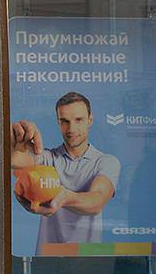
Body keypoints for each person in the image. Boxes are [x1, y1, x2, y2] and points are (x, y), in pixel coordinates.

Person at [11, 91, 121, 244]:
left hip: (89, 254)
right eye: (64, 121)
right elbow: (15, 160)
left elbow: (97, 199)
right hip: (48, 254)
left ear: (90, 120)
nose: (71, 129)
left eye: (78, 120)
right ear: (58, 122)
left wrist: (64, 197)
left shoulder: (106, 162)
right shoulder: (47, 158)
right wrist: (13, 143)